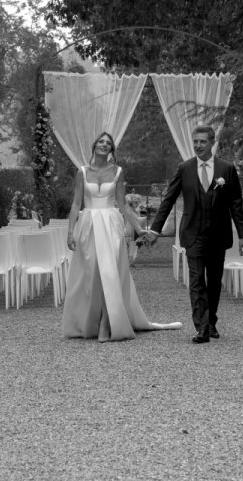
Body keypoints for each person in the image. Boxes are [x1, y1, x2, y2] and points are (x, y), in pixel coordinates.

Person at [62, 132, 183, 342]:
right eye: (101, 141)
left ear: (111, 150)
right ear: (94, 145)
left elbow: (123, 204)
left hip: (110, 224)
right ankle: (93, 318)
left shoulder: (117, 172)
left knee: (110, 272)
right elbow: (75, 204)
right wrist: (70, 232)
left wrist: (139, 228)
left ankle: (106, 323)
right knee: (92, 274)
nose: (104, 145)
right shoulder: (82, 172)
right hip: (88, 225)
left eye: (108, 143)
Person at [145, 126, 243, 344]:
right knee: (196, 279)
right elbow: (168, 199)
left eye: (202, 141)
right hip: (193, 233)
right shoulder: (184, 168)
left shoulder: (226, 169)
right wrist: (155, 229)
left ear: (212, 143)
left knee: (214, 281)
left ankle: (211, 322)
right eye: (195, 142)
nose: (198, 145)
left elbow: (235, 203)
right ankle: (201, 328)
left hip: (218, 234)